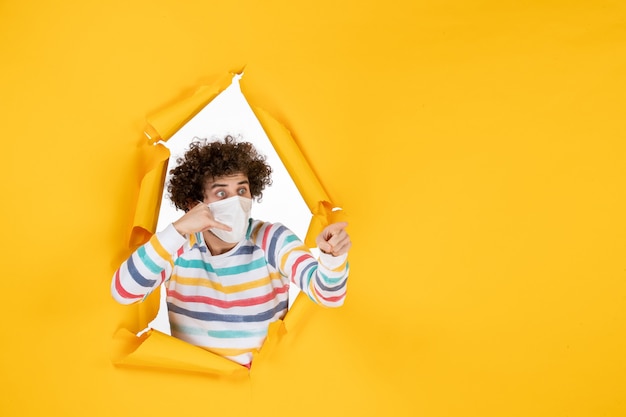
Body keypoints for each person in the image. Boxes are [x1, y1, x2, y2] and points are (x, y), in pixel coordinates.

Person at [111, 136, 351, 368]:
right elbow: (124, 291)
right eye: (222, 193)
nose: (236, 202)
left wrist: (332, 257)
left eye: (242, 191)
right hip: (198, 389)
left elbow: (327, 295)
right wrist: (178, 229)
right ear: (195, 204)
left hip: (262, 391)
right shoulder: (178, 247)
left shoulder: (271, 239)